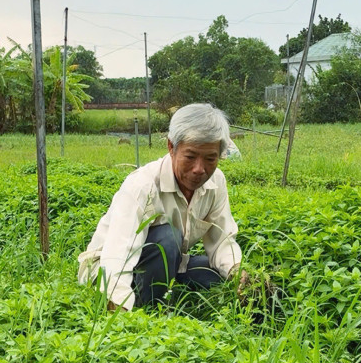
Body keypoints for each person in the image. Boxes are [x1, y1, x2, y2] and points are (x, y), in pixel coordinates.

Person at [78, 103, 246, 311]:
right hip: (106, 268)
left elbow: (222, 240)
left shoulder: (215, 182)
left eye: (210, 159)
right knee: (168, 238)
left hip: (167, 262)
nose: (199, 169)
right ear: (171, 147)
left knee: (213, 276)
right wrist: (119, 310)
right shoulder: (143, 185)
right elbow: (117, 255)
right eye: (190, 157)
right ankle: (147, 310)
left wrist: (237, 273)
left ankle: (161, 291)